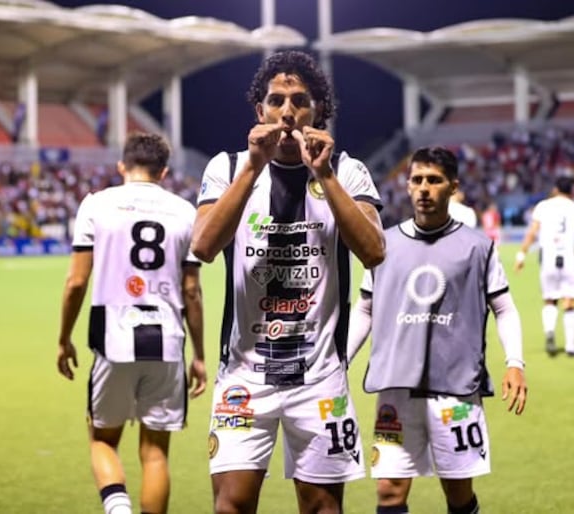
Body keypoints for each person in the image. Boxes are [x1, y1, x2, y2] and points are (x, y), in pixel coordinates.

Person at [191, 50, 385, 514]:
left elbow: (375, 250)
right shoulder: (227, 167)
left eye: (300, 100)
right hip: (243, 375)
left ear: (319, 110)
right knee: (230, 507)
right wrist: (253, 168)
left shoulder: (350, 172)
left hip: (319, 378)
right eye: (276, 100)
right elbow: (202, 245)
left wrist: (325, 174)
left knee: (322, 509)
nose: (287, 111)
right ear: (259, 111)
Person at [347, 146, 527, 514]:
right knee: (389, 492)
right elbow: (365, 306)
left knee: (458, 494)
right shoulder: (382, 244)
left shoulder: (478, 247)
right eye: (417, 180)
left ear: (453, 187)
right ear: (407, 186)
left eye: (434, 180)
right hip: (396, 387)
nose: (424, 188)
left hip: (456, 389)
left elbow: (504, 307)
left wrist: (515, 363)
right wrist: (339, 362)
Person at [57, 132, 208, 514]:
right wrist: (200, 355)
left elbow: (76, 281)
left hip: (113, 339)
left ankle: (117, 508)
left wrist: (64, 339)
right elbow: (192, 291)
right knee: (155, 453)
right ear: (164, 171)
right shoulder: (186, 212)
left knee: (102, 439)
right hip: (168, 342)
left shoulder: (96, 205)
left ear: (122, 166)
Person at [515, 176, 574, 357]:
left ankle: (550, 332)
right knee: (570, 302)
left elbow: (532, 233)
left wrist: (521, 255)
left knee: (550, 300)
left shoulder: (543, 207)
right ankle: (571, 347)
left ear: (556, 189)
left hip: (547, 259)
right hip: (568, 259)